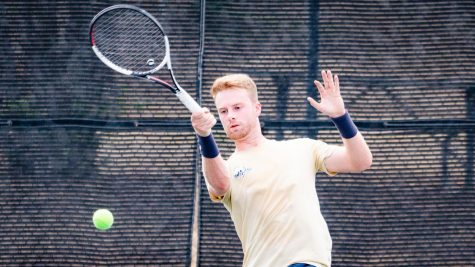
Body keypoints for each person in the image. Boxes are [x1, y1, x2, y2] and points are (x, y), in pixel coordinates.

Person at [191, 70, 372, 267]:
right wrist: (204, 135)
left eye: (237, 107)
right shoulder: (224, 168)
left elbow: (360, 161)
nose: (231, 116)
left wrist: (340, 116)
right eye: (223, 111)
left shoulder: (303, 148)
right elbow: (219, 185)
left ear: (257, 108)